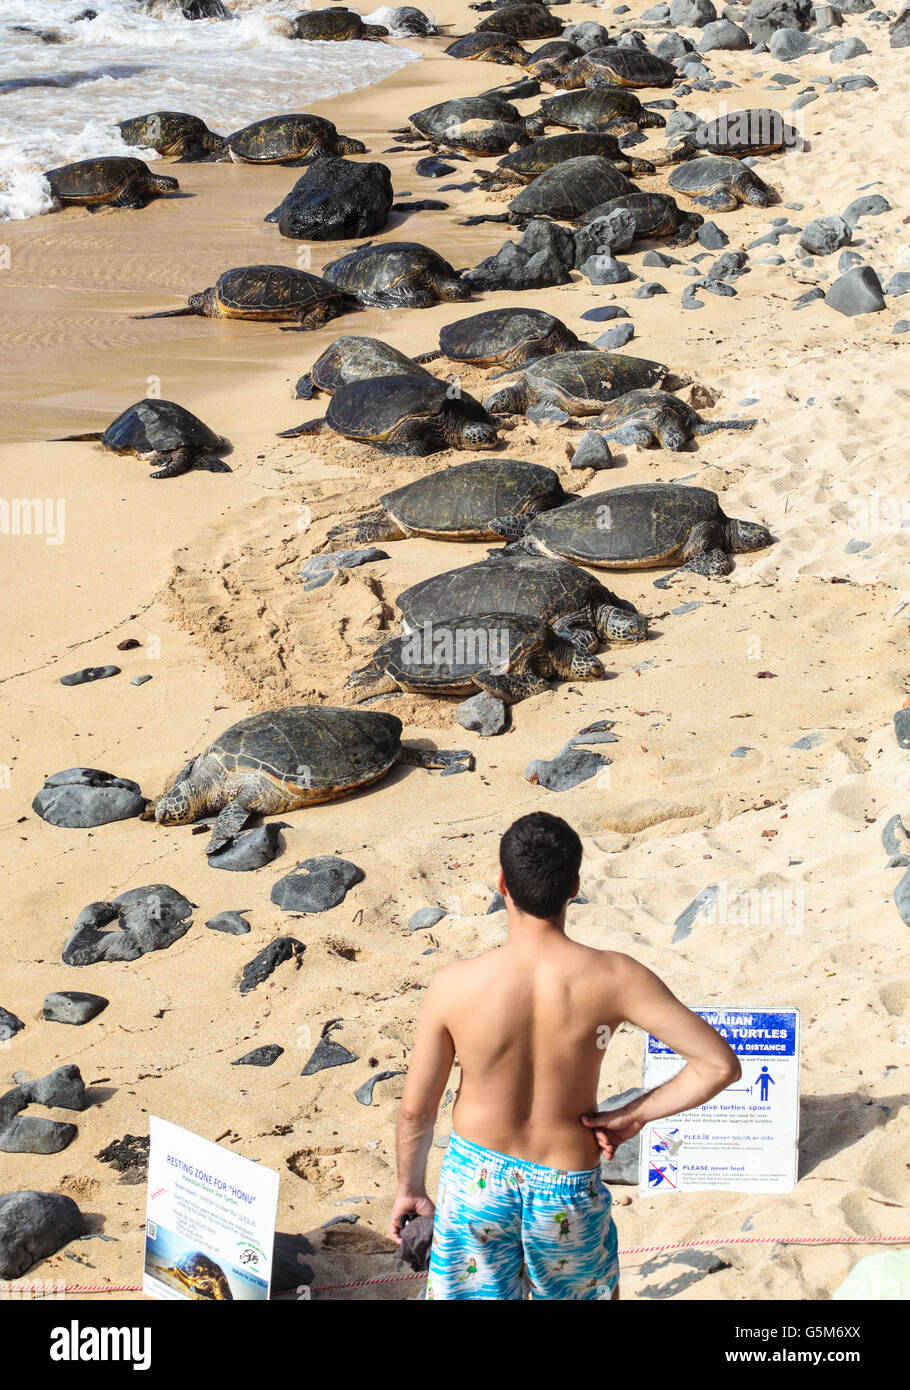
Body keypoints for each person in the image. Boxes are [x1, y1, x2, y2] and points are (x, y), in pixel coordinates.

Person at [390, 810, 741, 1300]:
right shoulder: (617, 978)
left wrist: (410, 1188)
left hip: (477, 1182)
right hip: (567, 1184)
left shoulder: (454, 985)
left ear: (501, 883)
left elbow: (415, 1112)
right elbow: (718, 1065)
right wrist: (634, 1115)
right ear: (574, 887)